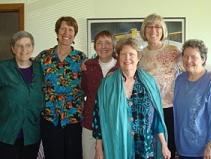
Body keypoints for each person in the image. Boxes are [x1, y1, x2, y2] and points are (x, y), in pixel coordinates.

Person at [138, 13, 211, 158]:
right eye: (149, 27)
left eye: (158, 27)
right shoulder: (139, 55)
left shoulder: (173, 51)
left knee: (169, 149)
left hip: (171, 109)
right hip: (150, 109)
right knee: (151, 149)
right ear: (144, 31)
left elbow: (194, 65)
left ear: (163, 30)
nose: (153, 30)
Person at [93, 38, 171, 159]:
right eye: (123, 54)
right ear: (118, 57)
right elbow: (98, 118)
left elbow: (156, 118)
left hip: (144, 147)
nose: (127, 58)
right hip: (117, 147)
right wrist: (98, 148)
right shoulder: (107, 84)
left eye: (131, 54)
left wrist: (164, 144)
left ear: (139, 57)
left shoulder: (149, 83)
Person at [36, 16, 86, 159]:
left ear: (74, 34)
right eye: (63, 28)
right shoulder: (44, 56)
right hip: (50, 116)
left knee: (74, 155)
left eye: (70, 29)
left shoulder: (81, 58)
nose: (66, 33)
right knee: (52, 154)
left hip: (73, 117)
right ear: (57, 32)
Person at [173, 39, 211, 159]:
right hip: (184, 148)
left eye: (193, 57)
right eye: (185, 56)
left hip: (208, 149)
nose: (188, 60)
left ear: (203, 59)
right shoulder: (179, 79)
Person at [0, 31, 44, 159]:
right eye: (19, 45)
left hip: (31, 134)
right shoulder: (3, 69)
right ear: (13, 48)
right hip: (7, 133)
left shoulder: (40, 69)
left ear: (33, 47)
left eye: (28, 45)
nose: (24, 49)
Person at [81, 30, 118, 159]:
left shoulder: (121, 67)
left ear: (113, 46)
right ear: (95, 46)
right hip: (90, 122)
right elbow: (83, 90)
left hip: (114, 123)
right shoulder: (88, 66)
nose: (103, 47)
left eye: (107, 43)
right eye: (99, 43)